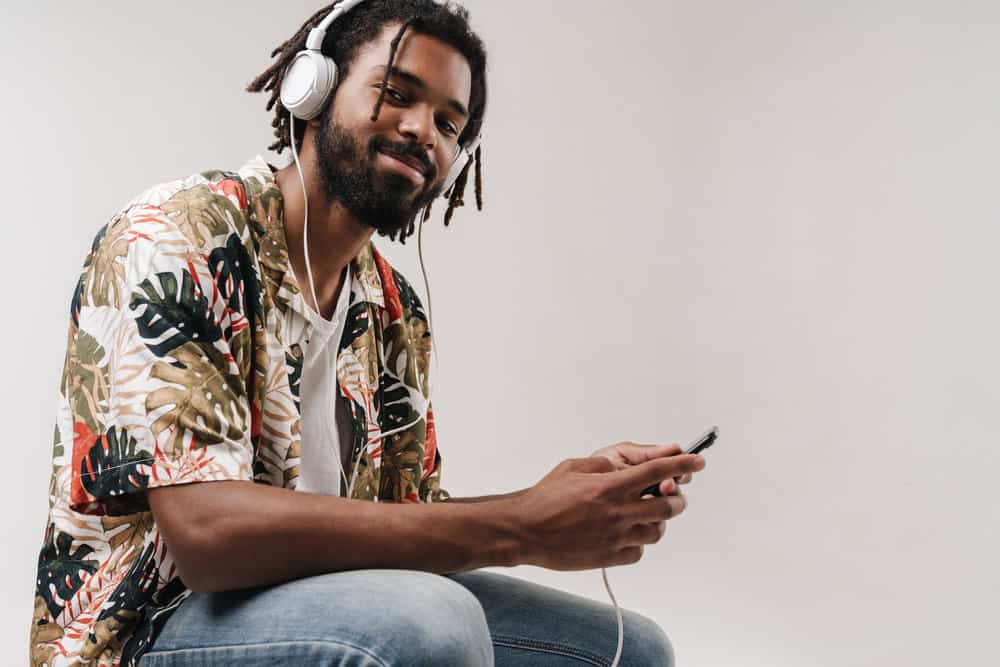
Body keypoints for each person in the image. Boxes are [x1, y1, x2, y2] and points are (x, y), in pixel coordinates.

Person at [29, 1, 705, 665]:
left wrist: (562, 501)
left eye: (449, 121)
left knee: (632, 649)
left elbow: (412, 527)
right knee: (432, 622)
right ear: (313, 88)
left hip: (326, 608)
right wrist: (521, 522)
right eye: (396, 93)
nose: (422, 130)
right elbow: (206, 535)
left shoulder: (391, 311)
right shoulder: (180, 234)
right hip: (147, 630)